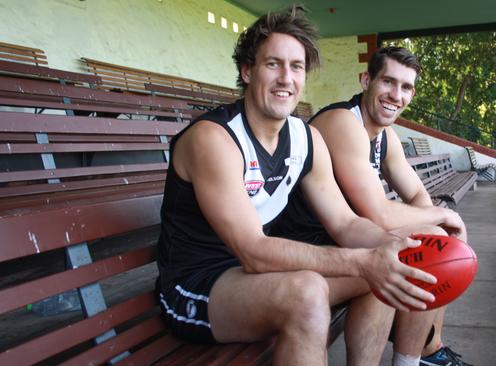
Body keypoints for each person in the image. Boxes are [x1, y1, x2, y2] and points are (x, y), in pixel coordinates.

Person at [155, 6, 437, 366]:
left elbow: (345, 223)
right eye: (273, 64)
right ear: (247, 71)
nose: (286, 78)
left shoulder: (308, 139)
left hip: (259, 276)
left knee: (391, 267)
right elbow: (253, 251)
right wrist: (363, 261)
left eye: (297, 66)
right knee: (307, 293)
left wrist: (398, 245)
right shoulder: (214, 139)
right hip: (197, 286)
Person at [271, 46, 473, 366]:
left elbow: (418, 196)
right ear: (366, 81)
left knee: (439, 243)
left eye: (406, 87)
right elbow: (378, 212)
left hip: (345, 238)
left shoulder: (385, 136)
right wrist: (442, 214)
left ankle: (419, 357)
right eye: (388, 82)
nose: (396, 94)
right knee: (404, 254)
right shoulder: (342, 121)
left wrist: (437, 220)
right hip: (303, 246)